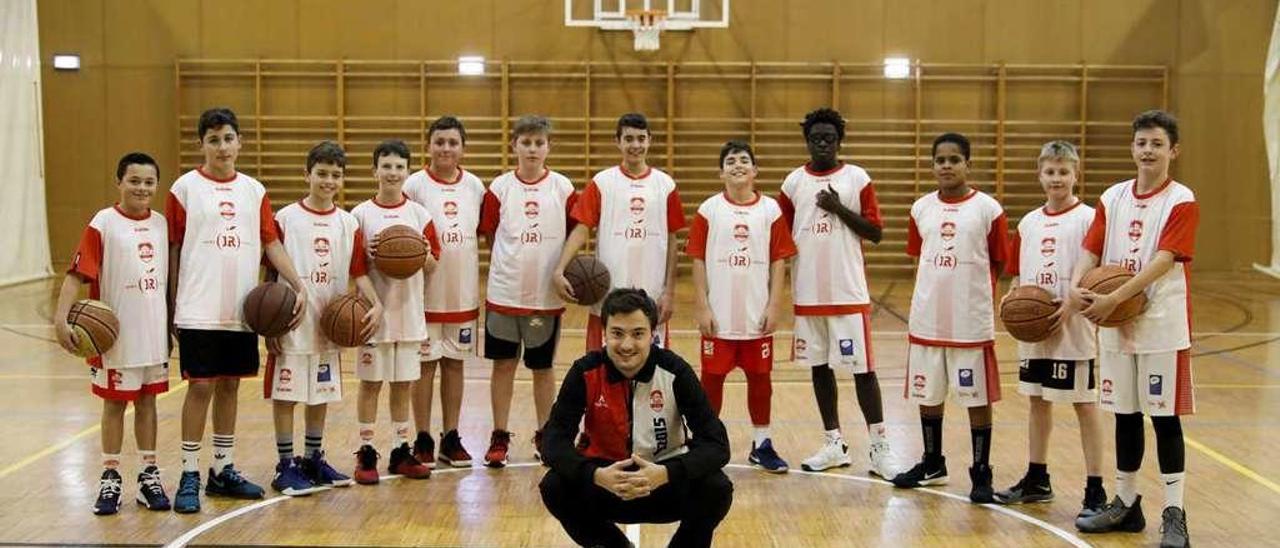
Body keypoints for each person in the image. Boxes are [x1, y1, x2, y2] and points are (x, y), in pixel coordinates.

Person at [167, 107, 309, 513]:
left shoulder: (254, 190)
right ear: (202, 145)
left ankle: (222, 469)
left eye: (228, 138)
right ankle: (190, 472)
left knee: (229, 386)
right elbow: (174, 250)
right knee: (200, 387)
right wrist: (172, 306)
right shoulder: (184, 188)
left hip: (242, 309)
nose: (222, 147)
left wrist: (298, 285)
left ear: (239, 142)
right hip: (198, 306)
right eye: (213, 140)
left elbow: (270, 243)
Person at [1072, 110, 1198, 548]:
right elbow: (1091, 249)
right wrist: (1077, 289)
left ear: (1173, 151)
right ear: (1132, 148)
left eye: (1157, 144)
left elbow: (1165, 260)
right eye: (1141, 142)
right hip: (1116, 322)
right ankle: (1125, 503)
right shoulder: (1113, 197)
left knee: (1164, 419)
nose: (1148, 150)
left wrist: (1117, 295)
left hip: (1161, 325)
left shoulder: (1181, 198)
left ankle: (1175, 513)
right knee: (1125, 414)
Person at [540, 288, 733, 548]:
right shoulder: (584, 372)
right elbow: (553, 442)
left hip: (662, 482)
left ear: (652, 334)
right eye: (617, 333)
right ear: (604, 333)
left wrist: (666, 473)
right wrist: (595, 475)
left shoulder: (675, 371)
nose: (627, 345)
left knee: (716, 488)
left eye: (638, 334)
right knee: (554, 486)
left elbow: (717, 445)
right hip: (606, 482)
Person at [777, 107, 896, 478]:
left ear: (839, 141)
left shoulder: (856, 178)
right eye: (816, 138)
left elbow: (875, 232)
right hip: (808, 295)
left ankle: (879, 448)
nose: (823, 143)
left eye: (829, 138)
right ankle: (834, 443)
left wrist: (837, 207)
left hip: (848, 293)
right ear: (807, 141)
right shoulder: (792, 183)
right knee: (819, 369)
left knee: (863, 371)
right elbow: (780, 239)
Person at [891, 132, 1009, 504]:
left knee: (976, 396)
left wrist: (981, 296)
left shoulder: (989, 209)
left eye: (954, 159)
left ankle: (981, 471)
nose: (946, 165)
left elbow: (1000, 260)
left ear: (967, 165)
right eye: (940, 160)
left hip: (969, 320)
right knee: (929, 391)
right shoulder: (920, 208)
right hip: (928, 318)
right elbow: (917, 259)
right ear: (932, 165)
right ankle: (932, 461)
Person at [994, 141, 1107, 517]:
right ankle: (1037, 478)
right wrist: (1013, 298)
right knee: (1037, 401)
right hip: (1035, 329)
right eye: (1050, 172)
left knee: (1084, 404)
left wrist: (1077, 302)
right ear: (1040, 175)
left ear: (1076, 175)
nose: (1056, 178)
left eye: (1063, 172)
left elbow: (1099, 270)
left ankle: (1095, 489)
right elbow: (1017, 274)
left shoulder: (1089, 218)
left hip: (1073, 327)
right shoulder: (1029, 221)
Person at [55, 152, 172, 514]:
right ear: (119, 182)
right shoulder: (103, 223)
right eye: (134, 181)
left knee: (149, 403)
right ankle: (110, 476)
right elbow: (77, 274)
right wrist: (61, 320)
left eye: (148, 182)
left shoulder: (162, 224)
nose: (141, 188)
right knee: (115, 404)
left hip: (154, 334)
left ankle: (148, 474)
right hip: (116, 339)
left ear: (156, 185)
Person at [264, 141, 383, 495]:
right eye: (322, 173)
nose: (328, 180)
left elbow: (358, 272)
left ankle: (313, 458)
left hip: (329, 323)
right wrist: (270, 324)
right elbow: (269, 273)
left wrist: (376, 304)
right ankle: (285, 464)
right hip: (292, 322)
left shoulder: (348, 223)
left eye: (336, 175)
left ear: (343, 179)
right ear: (307, 175)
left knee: (320, 393)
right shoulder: (285, 218)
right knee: (286, 395)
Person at [686, 140, 797, 473]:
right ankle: (707, 444)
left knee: (760, 380)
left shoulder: (771, 210)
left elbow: (780, 261)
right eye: (730, 161)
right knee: (711, 382)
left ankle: (761, 444)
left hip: (756, 315)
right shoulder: (709, 210)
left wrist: (775, 304)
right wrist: (702, 306)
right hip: (718, 316)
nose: (737, 165)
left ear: (755, 170)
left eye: (744, 160)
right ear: (721, 172)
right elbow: (697, 259)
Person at [478, 115, 578, 467]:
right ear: (514, 146)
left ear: (548, 147)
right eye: (527, 142)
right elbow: (490, 234)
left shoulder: (563, 188)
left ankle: (545, 433)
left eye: (539, 143)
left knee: (542, 368)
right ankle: (500, 435)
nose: (533, 149)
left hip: (544, 299)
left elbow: (574, 234)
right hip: (504, 295)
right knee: (503, 366)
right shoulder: (499, 188)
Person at [553, 112, 685, 350]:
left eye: (641, 138)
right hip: (607, 297)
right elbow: (582, 229)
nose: (636, 145)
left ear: (649, 140)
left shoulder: (665, 185)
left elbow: (673, 241)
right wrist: (560, 268)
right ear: (618, 142)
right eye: (629, 139)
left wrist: (669, 293)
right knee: (602, 372)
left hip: (651, 296)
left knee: (649, 375)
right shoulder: (602, 182)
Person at [349, 139, 439, 484]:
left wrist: (421, 252)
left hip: (409, 315)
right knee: (371, 384)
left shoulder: (419, 215)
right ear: (375, 171)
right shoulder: (360, 215)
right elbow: (356, 269)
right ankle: (367, 450)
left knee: (403, 384)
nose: (392, 172)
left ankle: (401, 449)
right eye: (386, 166)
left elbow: (432, 266)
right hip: (375, 317)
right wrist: (375, 301)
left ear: (407, 172)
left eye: (399, 166)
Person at [403, 116, 483, 468]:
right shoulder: (414, 185)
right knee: (424, 366)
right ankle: (422, 437)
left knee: (454, 365)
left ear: (463, 147)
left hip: (461, 293)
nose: (446, 148)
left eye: (453, 142)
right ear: (429, 145)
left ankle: (450, 437)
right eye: (440, 141)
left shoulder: (476, 187)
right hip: (423, 295)